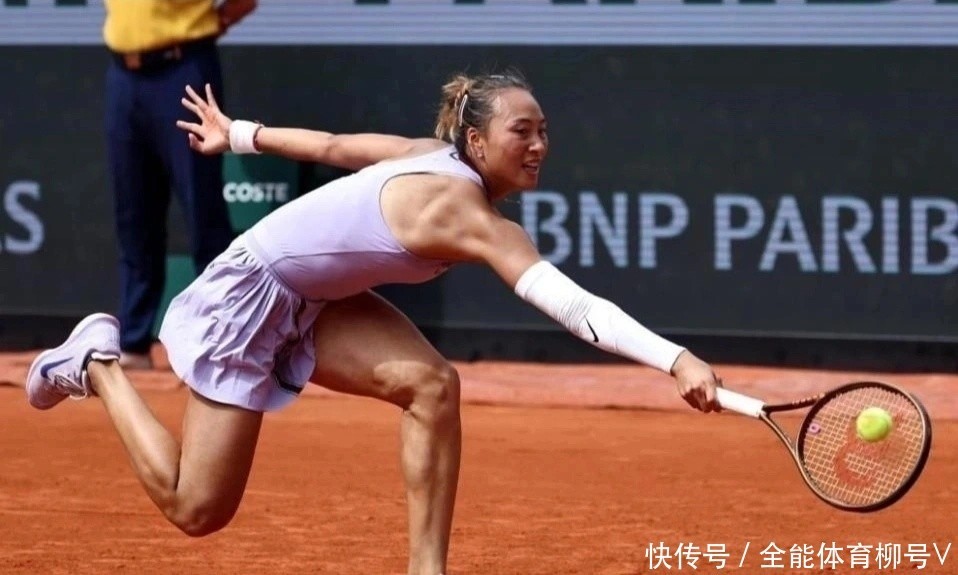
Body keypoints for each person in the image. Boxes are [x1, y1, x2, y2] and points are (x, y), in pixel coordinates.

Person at [27, 70, 722, 575]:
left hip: (318, 300)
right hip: (250, 296)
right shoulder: (469, 215)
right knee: (197, 509)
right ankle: (98, 362)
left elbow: (332, 146)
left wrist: (239, 133)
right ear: (476, 140)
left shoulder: (429, 152)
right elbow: (577, 307)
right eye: (522, 131)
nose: (539, 144)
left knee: (432, 386)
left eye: (543, 131)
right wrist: (677, 359)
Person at [103, 0, 257, 370]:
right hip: (123, 75)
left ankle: (225, 338)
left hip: (182, 68)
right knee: (134, 214)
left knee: (203, 210)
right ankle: (134, 342)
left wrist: (214, 22)